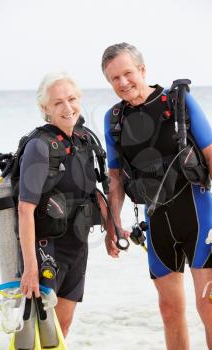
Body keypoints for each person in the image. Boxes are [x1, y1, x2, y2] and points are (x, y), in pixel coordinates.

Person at [102, 42, 212, 349]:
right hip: (158, 224)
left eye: (127, 73)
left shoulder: (178, 101)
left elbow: (210, 154)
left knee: (209, 306)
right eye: (114, 78)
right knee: (168, 309)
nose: (123, 83)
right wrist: (112, 223)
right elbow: (115, 178)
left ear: (142, 70)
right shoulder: (114, 119)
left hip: (200, 216)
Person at [18, 72, 107, 337]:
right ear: (45, 109)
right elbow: (25, 209)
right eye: (58, 103)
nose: (67, 108)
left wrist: (113, 228)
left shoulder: (84, 141)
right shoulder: (39, 146)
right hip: (47, 250)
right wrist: (30, 268)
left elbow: (93, 193)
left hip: (77, 247)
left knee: (61, 330)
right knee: (35, 334)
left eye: (71, 99)